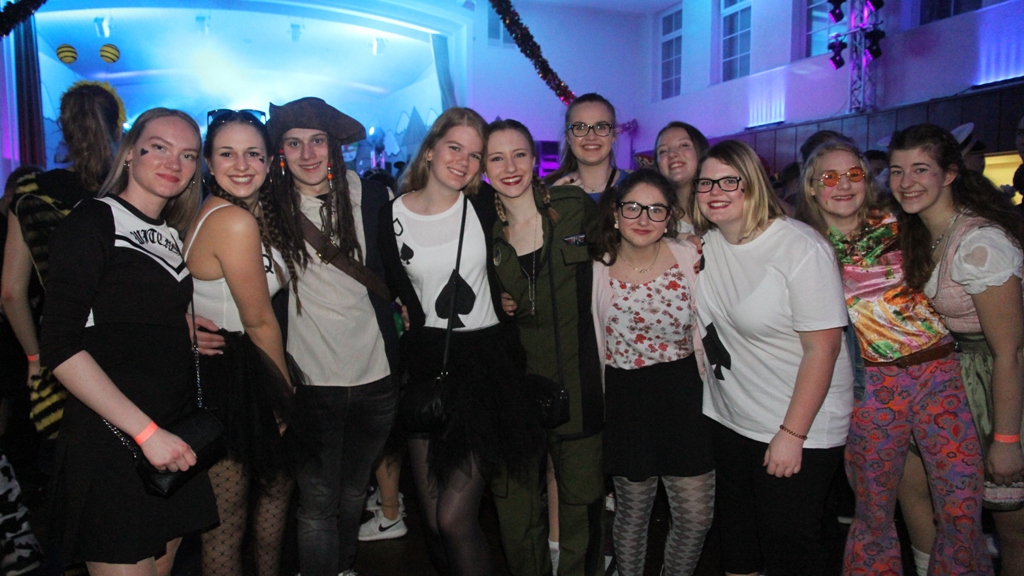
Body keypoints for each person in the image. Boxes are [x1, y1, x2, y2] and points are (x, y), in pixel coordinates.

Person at [797, 139, 990, 575]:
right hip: (872, 387)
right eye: (829, 176)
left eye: (854, 174)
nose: (843, 185)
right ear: (811, 186)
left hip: (939, 374)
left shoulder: (904, 223)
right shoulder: (804, 246)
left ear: (867, 179)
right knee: (874, 512)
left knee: (961, 508)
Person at [39, 107, 217, 575]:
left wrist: (177, 327)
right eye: (159, 147)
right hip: (116, 439)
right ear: (130, 153)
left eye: (187, 155)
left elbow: (126, 311)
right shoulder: (93, 220)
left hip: (172, 433)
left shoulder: (170, 234)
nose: (173, 163)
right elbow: (59, 345)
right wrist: (146, 433)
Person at [378, 107, 544, 576]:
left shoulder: (486, 206)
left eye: (474, 155)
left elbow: (537, 220)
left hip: (485, 364)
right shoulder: (390, 215)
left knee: (454, 519)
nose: (463, 161)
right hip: (425, 363)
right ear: (431, 150)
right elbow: (397, 289)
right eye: (455, 148)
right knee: (433, 521)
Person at [693, 139, 853, 576]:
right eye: (706, 182)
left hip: (796, 421)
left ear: (754, 184)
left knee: (789, 542)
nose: (715, 191)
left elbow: (823, 348)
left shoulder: (799, 247)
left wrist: (791, 433)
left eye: (730, 181)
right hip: (731, 415)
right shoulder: (708, 243)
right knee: (738, 536)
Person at [265, 97, 398, 576]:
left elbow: (398, 266)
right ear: (281, 152)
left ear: (334, 146)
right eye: (294, 143)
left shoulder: (371, 196)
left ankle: (343, 568)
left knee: (353, 491)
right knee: (318, 503)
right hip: (312, 381)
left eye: (317, 141)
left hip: (376, 377)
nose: (307, 154)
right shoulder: (268, 209)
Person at [890, 123, 1024, 576]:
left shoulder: (981, 244)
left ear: (949, 174)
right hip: (945, 382)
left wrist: (1006, 440)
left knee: (1011, 529)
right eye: (897, 171)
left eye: (920, 169)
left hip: (995, 386)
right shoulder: (918, 232)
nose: (906, 182)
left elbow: (1009, 353)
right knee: (925, 496)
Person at [485, 119, 605, 576]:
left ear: (536, 160)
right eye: (497, 158)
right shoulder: (483, 230)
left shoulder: (574, 206)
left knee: (581, 504)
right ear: (484, 168)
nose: (510, 167)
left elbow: (622, 248)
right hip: (514, 392)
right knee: (515, 509)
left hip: (579, 384)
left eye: (519, 154)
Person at [183, 110, 294, 576]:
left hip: (237, 369)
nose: (242, 165)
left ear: (269, 161)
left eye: (253, 154)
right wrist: (284, 398)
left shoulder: (243, 213)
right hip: (234, 378)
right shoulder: (232, 220)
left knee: (266, 500)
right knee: (228, 526)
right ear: (209, 163)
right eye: (227, 154)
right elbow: (260, 321)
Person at [591, 169, 714, 576]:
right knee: (632, 515)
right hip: (625, 400)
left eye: (656, 209)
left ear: (669, 217)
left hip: (686, 394)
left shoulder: (690, 256)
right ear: (615, 213)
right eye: (633, 208)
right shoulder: (594, 268)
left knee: (696, 517)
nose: (643, 218)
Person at [2, 82, 123, 443]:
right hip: (126, 339)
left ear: (64, 131)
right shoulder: (130, 190)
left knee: (71, 456)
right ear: (118, 129)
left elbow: (10, 293)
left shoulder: (30, 193)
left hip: (62, 343)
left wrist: (34, 358)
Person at [543, 93, 629, 202]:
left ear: (613, 135)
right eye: (580, 128)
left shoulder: (635, 186)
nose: (591, 136)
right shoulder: (548, 192)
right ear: (568, 137)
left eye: (601, 127)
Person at [653, 121, 709, 235]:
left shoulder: (721, 206)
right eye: (663, 151)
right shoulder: (655, 218)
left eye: (684, 145)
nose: (672, 154)